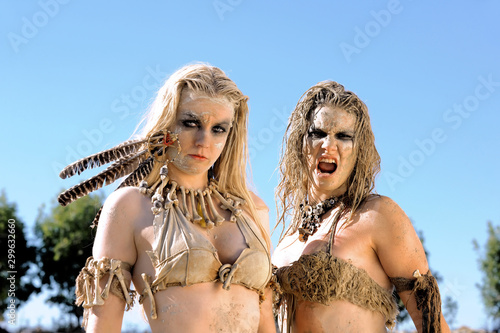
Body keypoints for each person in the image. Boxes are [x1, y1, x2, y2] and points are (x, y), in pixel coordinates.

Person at [58, 63, 276, 332]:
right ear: (166, 124)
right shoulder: (129, 206)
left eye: (219, 129)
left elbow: (266, 320)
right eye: (190, 123)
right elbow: (102, 325)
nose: (203, 140)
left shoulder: (254, 210)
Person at [272, 81, 450, 333]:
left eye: (343, 136)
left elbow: (430, 323)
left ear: (359, 151)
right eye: (318, 133)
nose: (328, 145)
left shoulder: (377, 215)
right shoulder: (286, 241)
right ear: (301, 143)